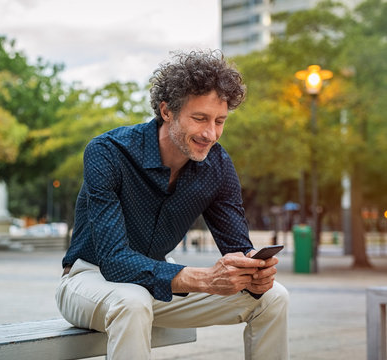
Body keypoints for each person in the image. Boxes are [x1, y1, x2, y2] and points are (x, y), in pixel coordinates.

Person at [56, 49, 289, 359]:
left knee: (274, 297)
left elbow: (238, 249)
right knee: (131, 301)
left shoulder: (217, 166)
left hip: (155, 287)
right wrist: (204, 278)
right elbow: (114, 260)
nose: (211, 133)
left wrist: (254, 274)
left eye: (220, 121)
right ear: (167, 111)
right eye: (200, 118)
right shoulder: (107, 152)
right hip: (89, 280)